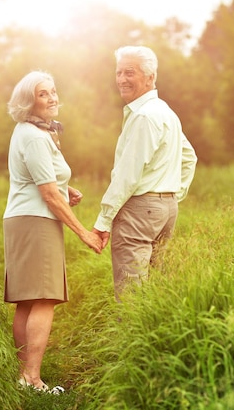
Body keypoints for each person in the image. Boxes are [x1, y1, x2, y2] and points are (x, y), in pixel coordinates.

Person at [3, 70, 103, 393]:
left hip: (24, 218)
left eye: (53, 91)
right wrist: (84, 233)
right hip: (36, 221)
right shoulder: (33, 135)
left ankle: (23, 377)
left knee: (28, 301)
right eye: (43, 94)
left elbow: (41, 179)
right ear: (28, 102)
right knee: (44, 298)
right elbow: (47, 194)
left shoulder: (32, 132)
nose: (52, 98)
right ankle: (32, 378)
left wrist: (65, 187)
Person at [92, 45, 197, 302]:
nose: (121, 79)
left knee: (131, 295)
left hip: (141, 211)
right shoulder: (165, 112)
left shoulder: (144, 116)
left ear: (150, 77)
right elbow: (190, 157)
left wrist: (103, 222)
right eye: (118, 73)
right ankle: (154, 339)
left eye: (130, 72)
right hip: (165, 210)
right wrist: (171, 196)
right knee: (155, 288)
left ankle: (131, 341)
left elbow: (127, 176)